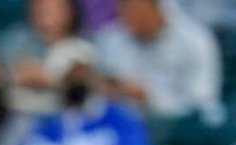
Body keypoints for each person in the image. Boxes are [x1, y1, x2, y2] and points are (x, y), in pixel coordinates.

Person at [4, 51, 153, 145]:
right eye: (69, 76)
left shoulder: (120, 119)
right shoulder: (45, 128)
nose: (77, 81)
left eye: (83, 73)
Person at [94, 0, 222, 117]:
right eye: (123, 8)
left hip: (182, 130)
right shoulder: (111, 40)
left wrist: (150, 99)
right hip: (125, 127)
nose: (127, 16)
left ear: (156, 7)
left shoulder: (194, 41)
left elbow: (201, 103)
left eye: (135, 9)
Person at [0, 0, 90, 114]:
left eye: (52, 6)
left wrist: (53, 78)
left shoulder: (82, 45)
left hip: (68, 116)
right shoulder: (15, 39)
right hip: (18, 115)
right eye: (40, 5)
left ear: (70, 11)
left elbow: (84, 78)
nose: (44, 10)